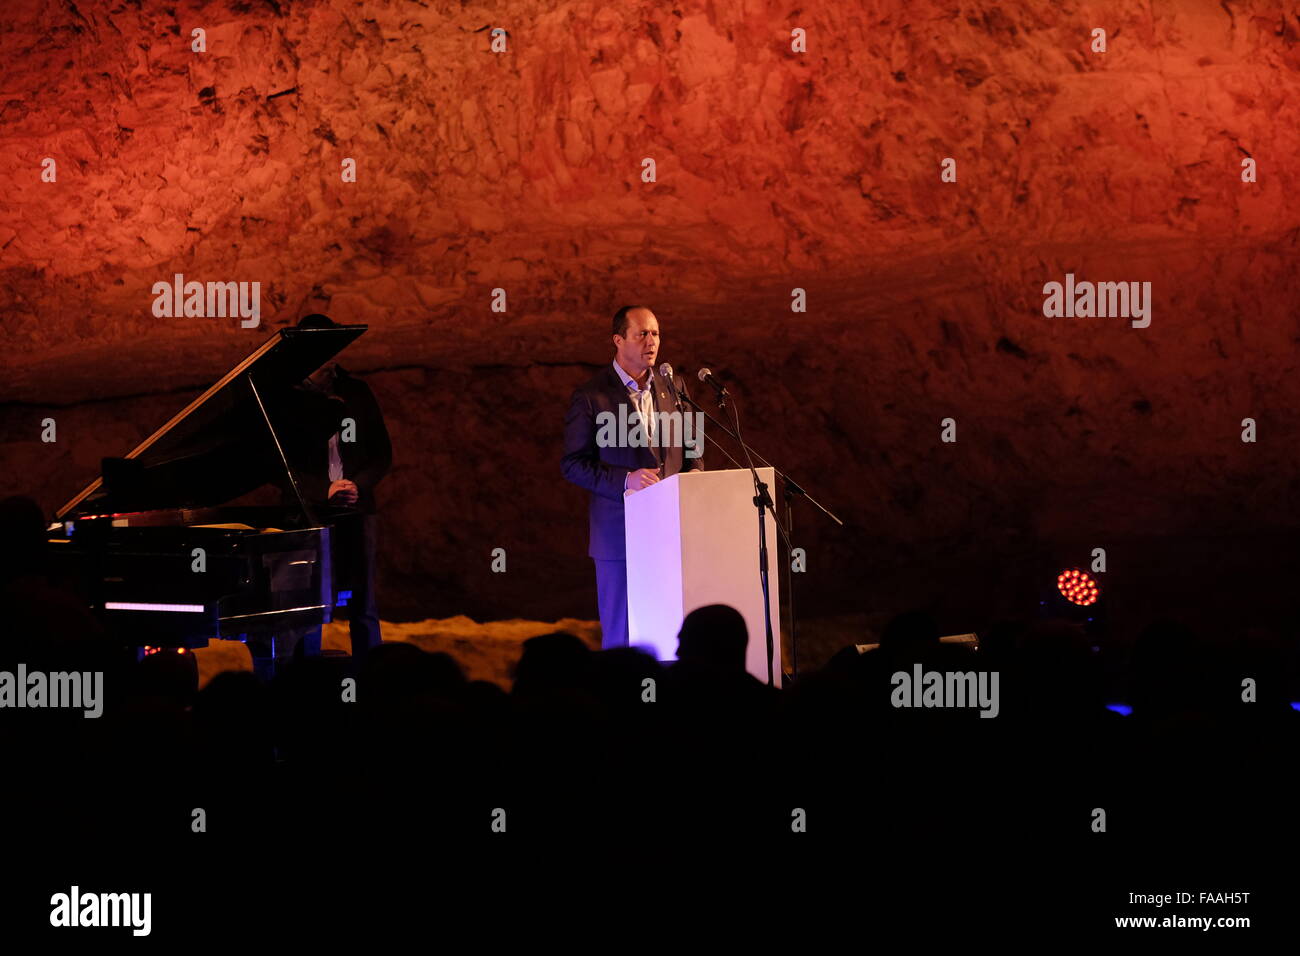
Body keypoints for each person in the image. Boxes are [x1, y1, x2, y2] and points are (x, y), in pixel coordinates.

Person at [252, 313, 392, 679]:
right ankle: (306, 681)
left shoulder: (356, 392)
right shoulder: (284, 400)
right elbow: (275, 464)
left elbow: (381, 451)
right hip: (306, 513)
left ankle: (371, 680)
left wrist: (356, 485)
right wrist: (321, 490)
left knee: (363, 602)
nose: (330, 361)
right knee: (308, 603)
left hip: (356, 509)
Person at [561, 306, 703, 648]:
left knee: (674, 629)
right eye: (642, 334)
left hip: (671, 531)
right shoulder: (590, 396)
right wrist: (626, 480)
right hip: (618, 534)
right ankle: (622, 698)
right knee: (622, 635)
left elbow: (693, 448)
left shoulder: (676, 386)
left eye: (655, 333)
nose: (651, 341)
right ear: (618, 340)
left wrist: (696, 480)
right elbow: (573, 464)